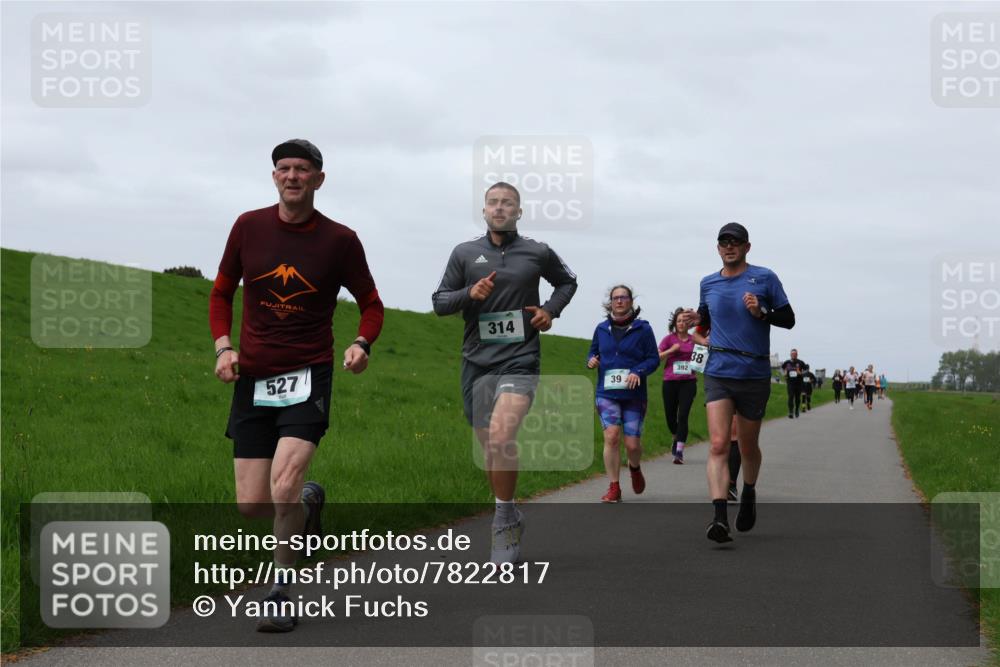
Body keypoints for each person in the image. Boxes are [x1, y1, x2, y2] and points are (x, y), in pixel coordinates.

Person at [210, 139, 384, 632]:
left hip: (309, 374)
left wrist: (362, 343)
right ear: (274, 177)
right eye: (283, 169)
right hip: (254, 377)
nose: (292, 176)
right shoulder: (248, 227)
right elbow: (222, 292)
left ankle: (280, 591)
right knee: (252, 504)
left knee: (281, 481)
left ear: (318, 179)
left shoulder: (340, 240)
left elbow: (372, 303)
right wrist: (224, 346)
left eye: (302, 170)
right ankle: (309, 502)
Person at [432, 181, 577, 562]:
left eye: (507, 203)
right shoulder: (464, 253)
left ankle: (501, 525)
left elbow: (567, 281)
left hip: (520, 357)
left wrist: (550, 310)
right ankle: (510, 509)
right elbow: (440, 302)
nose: (500, 209)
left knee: (501, 435)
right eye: (493, 203)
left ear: (518, 211)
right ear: (484, 211)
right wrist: (469, 295)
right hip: (476, 361)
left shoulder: (537, 251)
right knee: (490, 448)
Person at [677, 222, 795, 544]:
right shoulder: (708, 283)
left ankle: (749, 492)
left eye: (735, 242)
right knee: (717, 444)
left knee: (747, 446)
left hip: (753, 372)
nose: (729, 247)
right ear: (717, 248)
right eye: (723, 242)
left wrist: (761, 312)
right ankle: (718, 518)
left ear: (746, 247)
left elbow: (789, 319)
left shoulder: (765, 278)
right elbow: (706, 318)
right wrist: (693, 320)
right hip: (719, 370)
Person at [587, 286, 660, 502]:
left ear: (631, 302)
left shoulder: (643, 329)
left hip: (634, 395)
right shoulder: (601, 329)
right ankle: (614, 487)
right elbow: (593, 352)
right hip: (606, 392)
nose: (619, 301)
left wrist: (638, 371)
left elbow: (653, 359)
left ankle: (635, 468)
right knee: (611, 437)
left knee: (632, 445)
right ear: (610, 302)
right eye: (615, 298)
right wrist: (591, 360)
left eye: (624, 297)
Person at [659, 307, 698, 464]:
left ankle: (679, 452)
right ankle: (676, 437)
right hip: (670, 382)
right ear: (675, 323)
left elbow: (700, 360)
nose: (681, 323)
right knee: (670, 416)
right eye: (679, 321)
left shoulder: (694, 340)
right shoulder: (668, 339)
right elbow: (657, 357)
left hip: (688, 382)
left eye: (684, 321)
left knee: (683, 415)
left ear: (689, 324)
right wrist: (671, 350)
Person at [781, 349, 807, 418]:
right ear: (790, 355)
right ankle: (790, 412)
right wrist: (785, 373)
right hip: (790, 383)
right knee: (790, 396)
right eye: (792, 354)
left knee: (797, 398)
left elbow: (806, 370)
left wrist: (801, 373)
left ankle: (797, 410)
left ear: (797, 355)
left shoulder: (800, 362)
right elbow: (782, 368)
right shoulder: (787, 362)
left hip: (798, 383)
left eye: (795, 354)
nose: (793, 355)